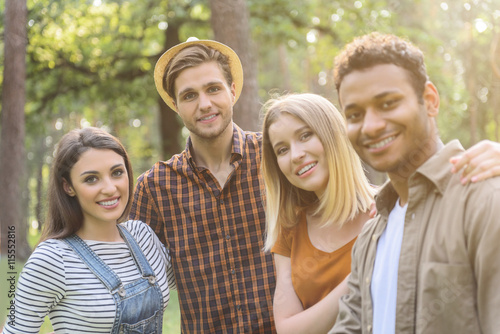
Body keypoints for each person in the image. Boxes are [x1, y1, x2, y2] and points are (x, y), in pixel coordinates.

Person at [329, 32, 500, 334]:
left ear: (430, 100)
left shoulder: (485, 201)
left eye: (388, 103)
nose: (371, 126)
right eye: (354, 114)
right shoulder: (371, 234)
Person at [130, 40, 276, 333]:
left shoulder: (273, 156)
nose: (204, 104)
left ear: (232, 91)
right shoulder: (155, 187)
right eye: (189, 95)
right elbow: (130, 279)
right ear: (175, 105)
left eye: (213, 89)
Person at [2, 127, 175, 334]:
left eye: (117, 172)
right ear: (68, 187)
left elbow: (193, 277)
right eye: (91, 179)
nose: (110, 188)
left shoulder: (143, 236)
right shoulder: (52, 259)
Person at [260, 93, 374, 333]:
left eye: (305, 135)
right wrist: (359, 276)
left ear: (333, 133)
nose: (296, 155)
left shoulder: (387, 209)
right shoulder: (290, 228)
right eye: (282, 150)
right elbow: (288, 329)